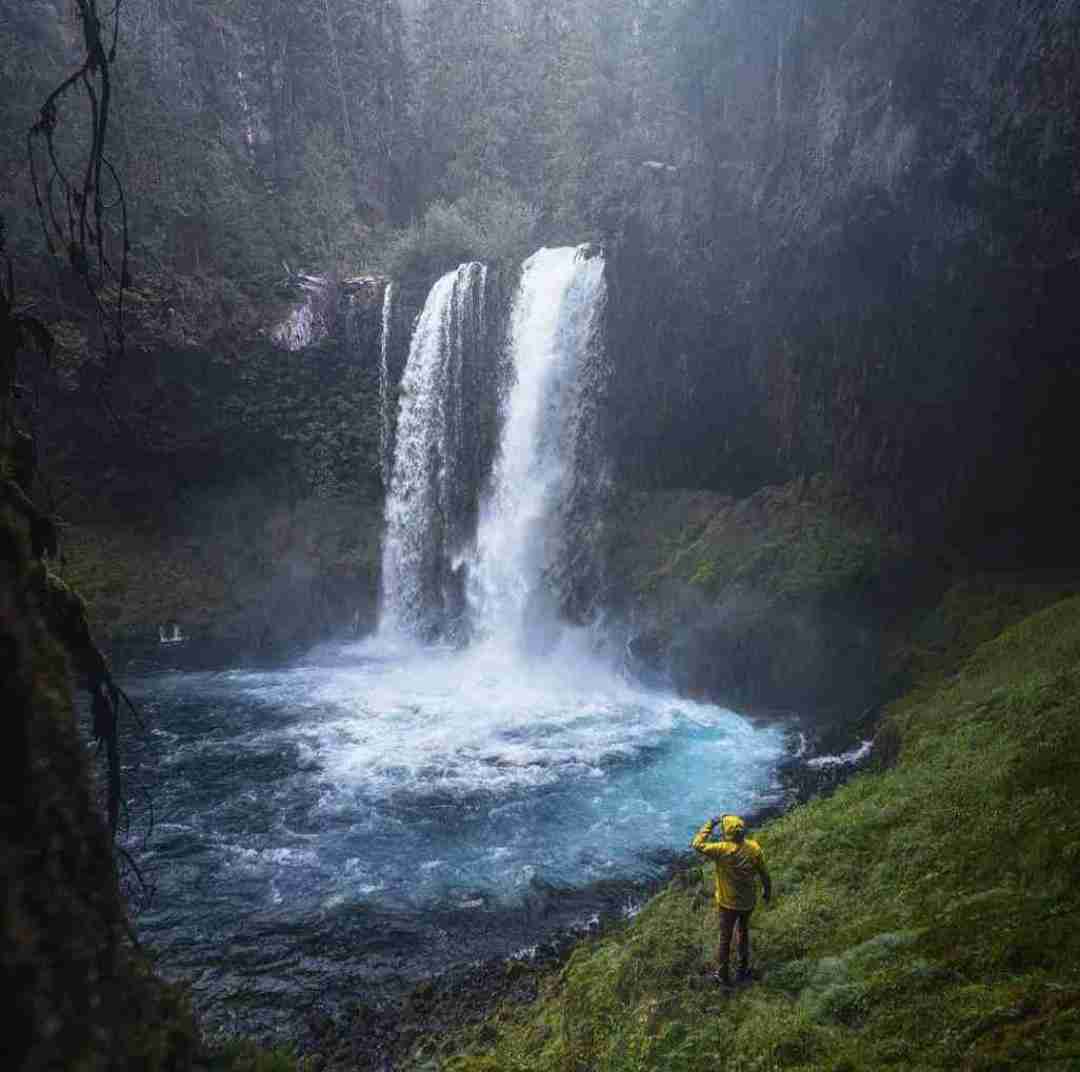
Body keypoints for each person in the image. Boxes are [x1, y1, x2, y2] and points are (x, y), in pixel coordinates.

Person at [691, 813, 771, 987]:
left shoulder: (721, 849)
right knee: (743, 932)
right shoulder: (754, 848)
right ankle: (742, 968)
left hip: (727, 904)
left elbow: (697, 844)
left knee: (725, 938)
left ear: (726, 832)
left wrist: (710, 824)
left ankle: (723, 974)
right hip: (748, 902)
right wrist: (767, 890)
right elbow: (764, 873)